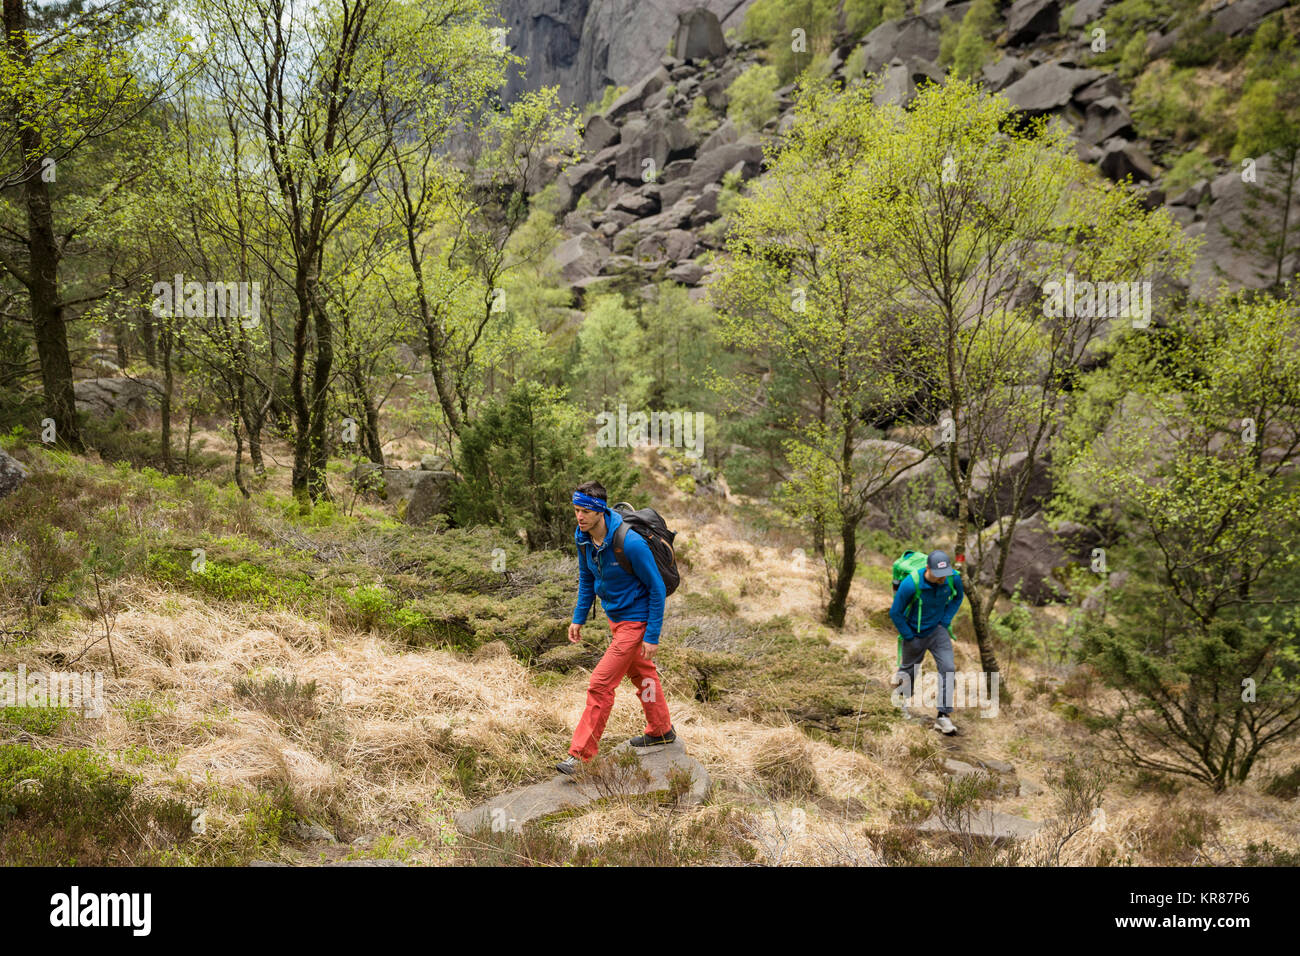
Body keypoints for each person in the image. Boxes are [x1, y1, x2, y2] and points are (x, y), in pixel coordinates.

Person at [556, 481, 674, 775]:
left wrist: (652, 634)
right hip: (616, 618)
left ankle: (581, 755)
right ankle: (661, 729)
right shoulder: (583, 538)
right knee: (642, 674)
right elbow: (586, 578)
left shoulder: (630, 543)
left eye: (584, 511)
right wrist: (578, 617)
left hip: (636, 621)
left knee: (600, 683)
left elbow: (657, 588)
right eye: (576, 510)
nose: (579, 517)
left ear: (599, 512)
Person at [889, 549, 964, 735]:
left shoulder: (953, 578)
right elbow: (895, 612)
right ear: (927, 569)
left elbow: (958, 598)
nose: (941, 579)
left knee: (948, 669)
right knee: (908, 670)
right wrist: (908, 636)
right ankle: (900, 705)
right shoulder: (911, 584)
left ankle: (943, 716)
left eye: (944, 575)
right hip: (914, 632)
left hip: (938, 630)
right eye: (938, 575)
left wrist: (945, 621)